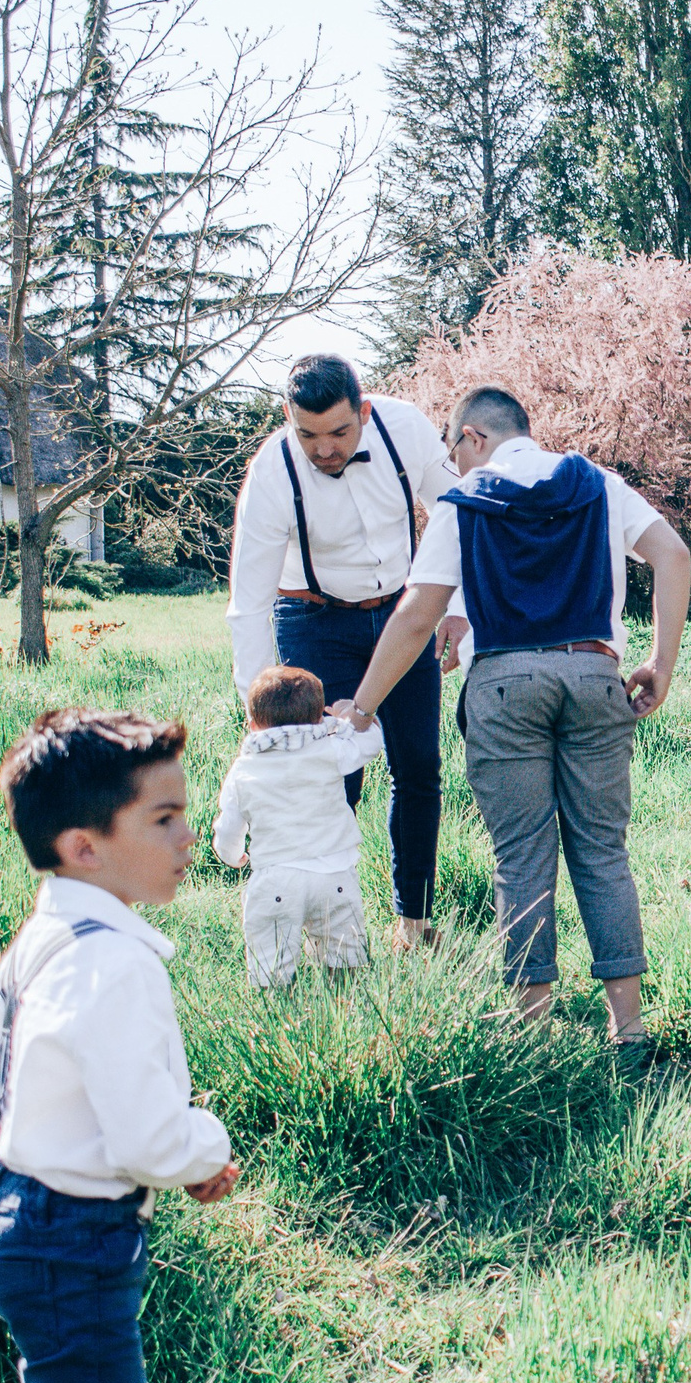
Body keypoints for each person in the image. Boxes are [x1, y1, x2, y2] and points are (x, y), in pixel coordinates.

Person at [338, 385, 691, 1074]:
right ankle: (628, 1030)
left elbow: (416, 613)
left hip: (504, 684)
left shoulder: (463, 503)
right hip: (595, 677)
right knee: (602, 852)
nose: (455, 467)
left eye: (453, 452)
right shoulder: (597, 482)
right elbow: (673, 555)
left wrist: (361, 705)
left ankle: (531, 1027)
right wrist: (661, 663)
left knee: (521, 856)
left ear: (472, 437)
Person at [0, 708, 239, 1383]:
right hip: (71, 1238)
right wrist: (206, 1148)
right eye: (163, 819)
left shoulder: (50, 937)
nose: (188, 835)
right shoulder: (111, 963)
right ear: (84, 846)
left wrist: (43, 1137)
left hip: (21, 1210)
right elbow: (149, 1140)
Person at [224, 354, 456, 952]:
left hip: (404, 616)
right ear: (287, 419)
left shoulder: (405, 429)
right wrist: (259, 710)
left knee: (419, 766)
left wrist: (459, 612)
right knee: (325, 775)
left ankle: (414, 920)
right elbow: (248, 599)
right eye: (308, 434)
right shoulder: (272, 473)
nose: (324, 449)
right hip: (313, 618)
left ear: (365, 411)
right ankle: (327, 929)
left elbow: (462, 516)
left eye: (339, 432)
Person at [212, 665, 387, 988]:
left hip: (276, 879)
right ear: (319, 718)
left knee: (271, 964)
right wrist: (360, 721)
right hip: (334, 874)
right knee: (344, 955)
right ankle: (343, 1004)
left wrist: (230, 854)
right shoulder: (330, 749)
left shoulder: (244, 769)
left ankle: (276, 1013)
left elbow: (229, 824)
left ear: (252, 723)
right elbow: (370, 745)